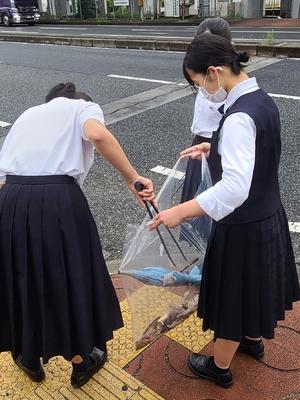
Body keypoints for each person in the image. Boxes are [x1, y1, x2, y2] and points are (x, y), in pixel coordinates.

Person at [149, 34, 300, 388]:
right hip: (266, 216)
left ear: (214, 72)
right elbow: (255, 151)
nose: (201, 91)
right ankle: (251, 340)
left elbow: (234, 187)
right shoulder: (261, 100)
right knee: (252, 290)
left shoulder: (237, 117)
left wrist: (183, 211)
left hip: (242, 225)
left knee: (234, 296)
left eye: (198, 83)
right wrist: (212, 147)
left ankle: (218, 367)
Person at [0, 82, 154, 388]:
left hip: (12, 200)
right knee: (68, 277)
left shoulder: (28, 115)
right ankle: (81, 361)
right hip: (59, 201)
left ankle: (28, 356)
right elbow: (97, 134)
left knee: (21, 277)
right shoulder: (81, 105)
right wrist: (132, 179)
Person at [181, 17, 232, 203]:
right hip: (199, 145)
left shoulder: (226, 82)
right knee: (193, 208)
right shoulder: (204, 73)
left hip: (217, 150)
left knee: (210, 208)